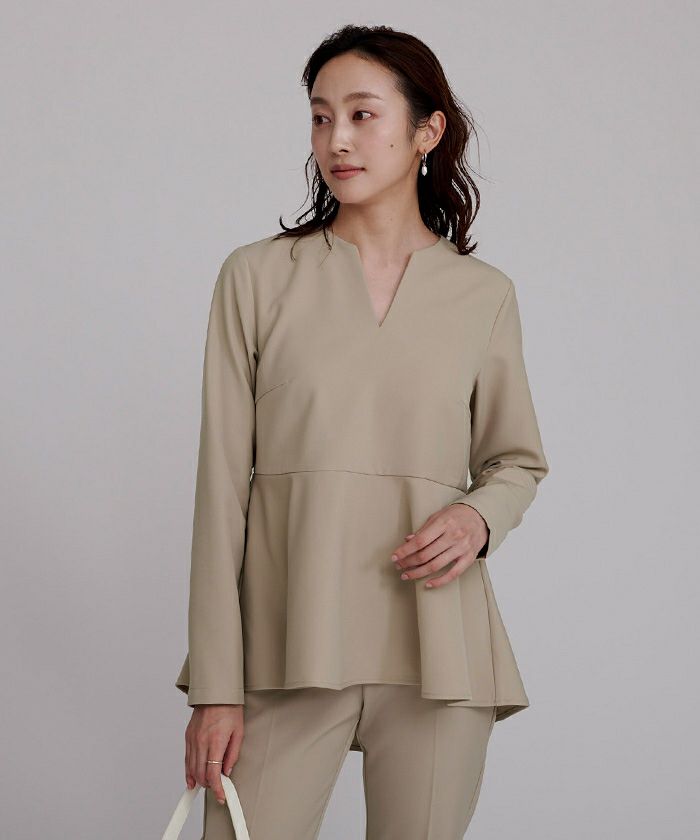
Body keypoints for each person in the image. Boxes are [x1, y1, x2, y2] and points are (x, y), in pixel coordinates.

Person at [174, 23, 549, 840]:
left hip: (439, 653)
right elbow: (220, 493)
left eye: (362, 114)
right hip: (285, 644)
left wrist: (478, 517)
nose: (336, 140)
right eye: (320, 117)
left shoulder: (483, 295)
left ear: (427, 130)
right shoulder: (257, 278)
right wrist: (216, 686)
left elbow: (516, 460)